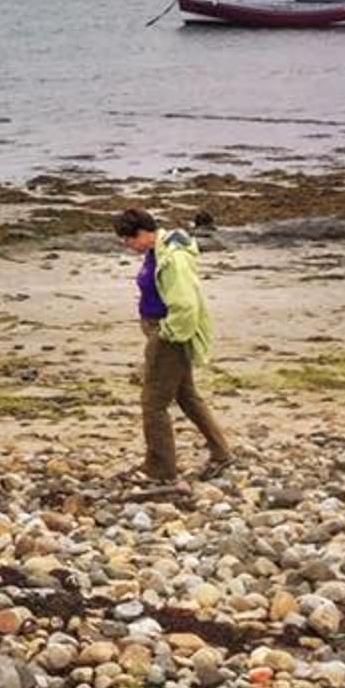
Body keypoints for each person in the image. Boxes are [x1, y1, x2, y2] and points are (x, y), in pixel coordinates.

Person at [114, 207, 232, 483]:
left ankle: (160, 468)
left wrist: (166, 334)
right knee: (187, 396)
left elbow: (184, 305)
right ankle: (222, 453)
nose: (126, 246)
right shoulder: (159, 251)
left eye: (128, 240)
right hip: (166, 331)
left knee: (153, 403)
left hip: (170, 336)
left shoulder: (173, 258)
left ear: (143, 233)